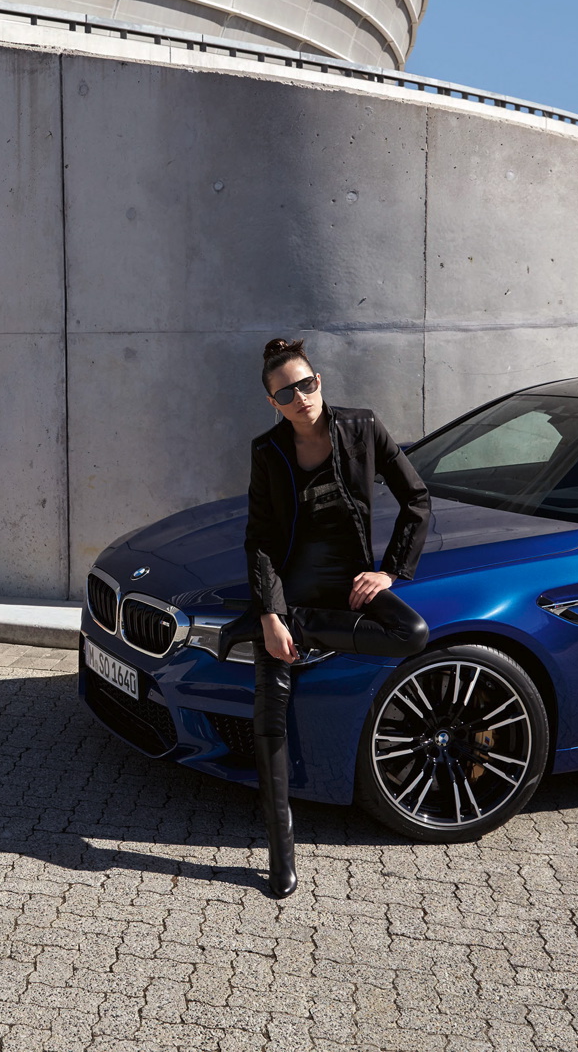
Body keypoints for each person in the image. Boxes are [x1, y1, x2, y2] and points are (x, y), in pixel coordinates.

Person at [218, 337, 432, 899]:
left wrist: (391, 571)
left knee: (411, 632)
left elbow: (416, 498)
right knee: (270, 720)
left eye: (306, 384)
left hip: (348, 588)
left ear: (320, 381)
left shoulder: (362, 428)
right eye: (286, 392)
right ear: (273, 402)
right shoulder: (268, 451)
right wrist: (271, 615)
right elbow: (261, 541)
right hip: (287, 593)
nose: (301, 397)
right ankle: (280, 856)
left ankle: (300, 628)